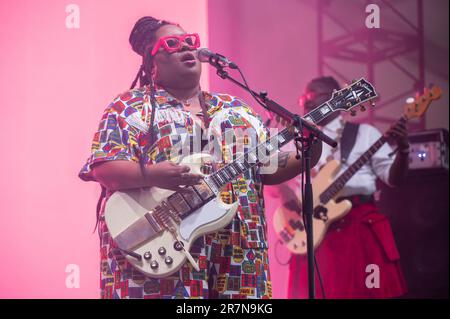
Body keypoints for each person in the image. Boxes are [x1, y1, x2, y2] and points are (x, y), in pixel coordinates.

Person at [79, 16, 322, 299]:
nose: (186, 48)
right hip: (161, 251)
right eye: (172, 44)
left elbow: (268, 169)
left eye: (190, 41)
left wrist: (310, 150)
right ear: (150, 62)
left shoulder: (236, 109)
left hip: (239, 256)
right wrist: (154, 174)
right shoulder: (129, 107)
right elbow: (104, 168)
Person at [282, 76, 409, 299]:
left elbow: (393, 178)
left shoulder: (365, 134)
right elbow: (283, 189)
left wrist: (404, 151)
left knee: (370, 290)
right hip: (314, 234)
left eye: (314, 96)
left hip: (358, 227)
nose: (307, 102)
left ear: (334, 98)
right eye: (304, 97)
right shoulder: (298, 142)